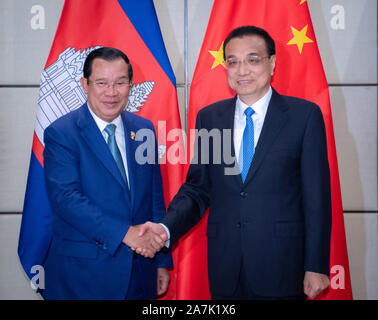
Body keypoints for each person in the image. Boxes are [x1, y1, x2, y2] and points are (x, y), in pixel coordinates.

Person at [138, 26, 332, 300]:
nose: (242, 70)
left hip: (283, 265)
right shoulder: (210, 118)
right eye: (233, 62)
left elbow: (317, 198)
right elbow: (197, 189)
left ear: (272, 63)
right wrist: (165, 228)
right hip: (225, 266)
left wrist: (316, 265)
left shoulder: (304, 116)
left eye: (253, 60)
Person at [42, 47, 172, 299]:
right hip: (84, 276)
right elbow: (66, 199)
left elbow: (154, 197)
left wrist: (162, 260)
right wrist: (126, 234)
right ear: (84, 84)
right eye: (101, 83)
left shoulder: (143, 129)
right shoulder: (62, 133)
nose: (111, 92)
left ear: (131, 85)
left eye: (120, 83)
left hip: (140, 272)